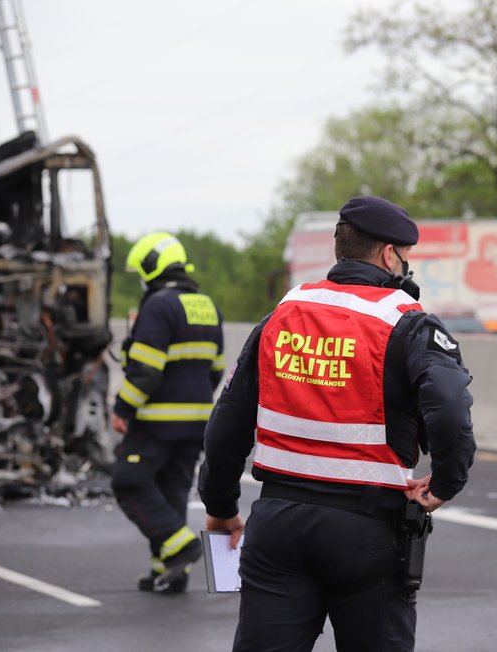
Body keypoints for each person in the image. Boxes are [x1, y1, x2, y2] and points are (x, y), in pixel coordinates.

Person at [198, 196, 476, 651]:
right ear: (390, 254)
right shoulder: (407, 323)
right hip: (368, 529)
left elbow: (226, 424)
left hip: (278, 524)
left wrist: (221, 504)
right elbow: (448, 406)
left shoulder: (283, 314)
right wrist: (445, 483)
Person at [110, 232, 225, 593]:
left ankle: (181, 546)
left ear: (151, 267)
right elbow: (217, 368)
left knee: (128, 480)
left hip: (157, 420)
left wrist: (122, 407)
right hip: (197, 421)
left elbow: (145, 369)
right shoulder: (208, 305)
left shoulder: (158, 305)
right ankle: (170, 570)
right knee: (172, 487)